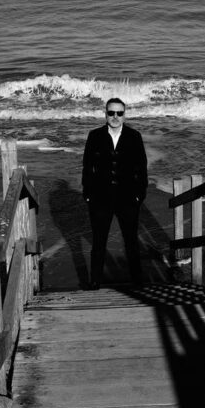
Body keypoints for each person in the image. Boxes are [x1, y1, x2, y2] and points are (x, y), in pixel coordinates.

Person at [81, 97, 148, 289]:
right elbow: (87, 166)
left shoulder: (134, 136)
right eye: (111, 113)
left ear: (125, 115)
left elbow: (141, 168)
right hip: (100, 199)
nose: (115, 117)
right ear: (106, 114)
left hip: (128, 199)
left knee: (131, 241)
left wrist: (139, 194)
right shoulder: (94, 136)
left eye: (119, 113)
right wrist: (88, 194)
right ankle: (95, 282)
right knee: (99, 242)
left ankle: (137, 281)